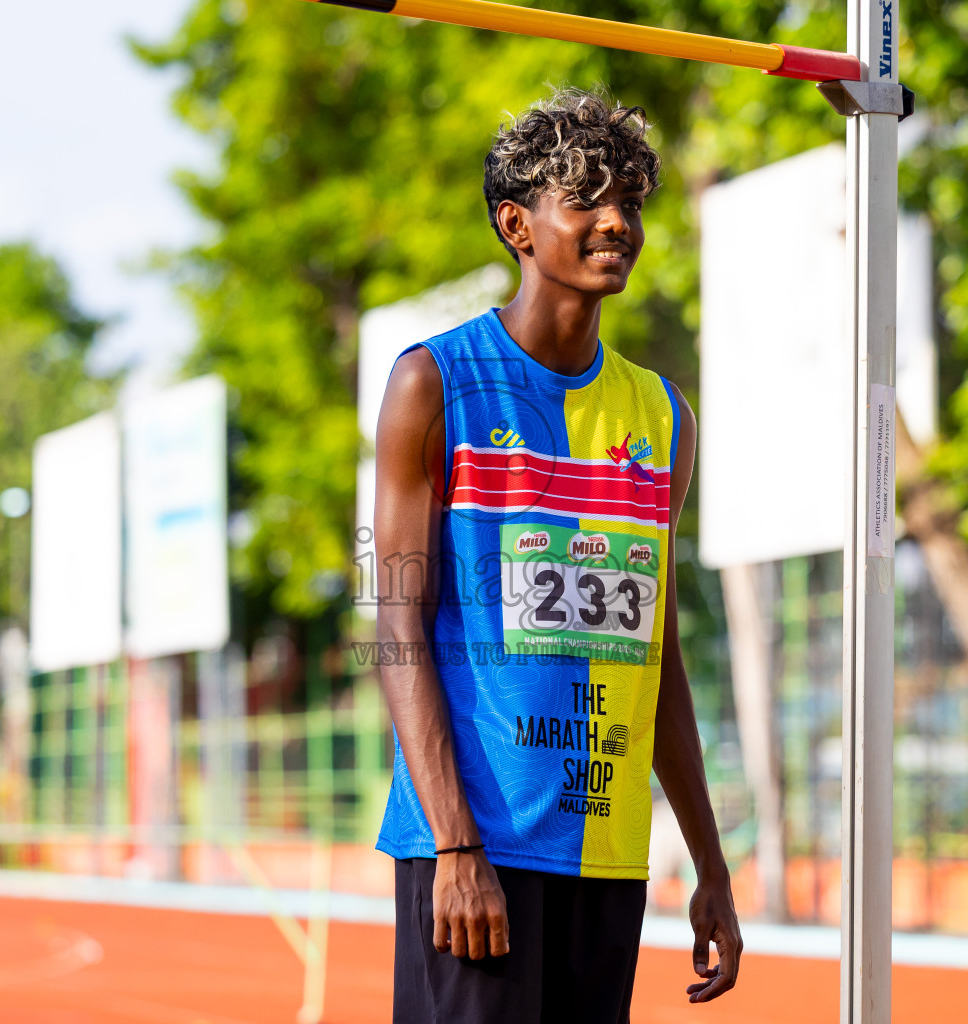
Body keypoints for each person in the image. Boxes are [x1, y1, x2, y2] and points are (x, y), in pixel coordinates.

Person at [373, 88, 741, 1024]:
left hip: (606, 853)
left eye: (630, 201)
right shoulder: (433, 382)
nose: (616, 220)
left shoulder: (664, 417)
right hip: (477, 849)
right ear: (517, 225)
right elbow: (396, 623)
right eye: (585, 199)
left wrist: (707, 861)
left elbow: (652, 651)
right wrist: (456, 847)